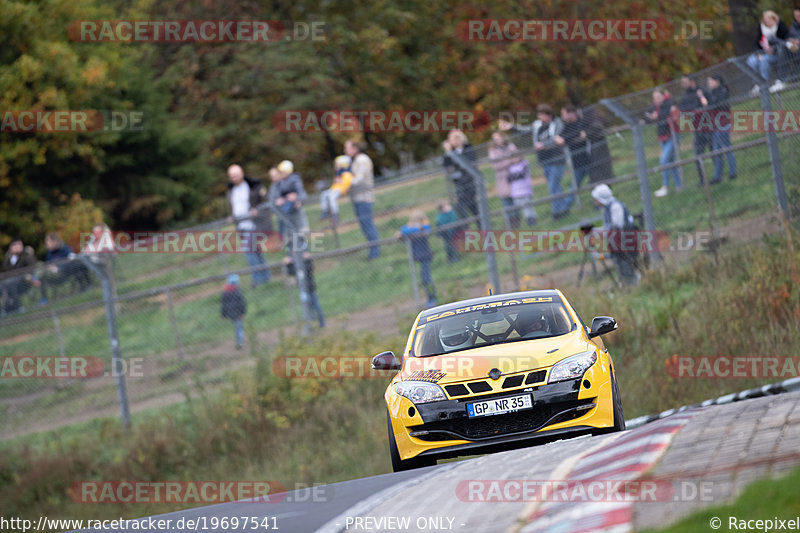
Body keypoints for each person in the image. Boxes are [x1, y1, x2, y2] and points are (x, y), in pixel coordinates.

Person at [227, 164, 271, 286]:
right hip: (241, 227)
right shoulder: (231, 191)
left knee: (249, 251)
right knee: (255, 251)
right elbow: (234, 207)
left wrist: (257, 210)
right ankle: (266, 277)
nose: (234, 178)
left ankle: (258, 279)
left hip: (253, 225)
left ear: (242, 174)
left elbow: (265, 201)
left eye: (236, 175)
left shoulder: (252, 186)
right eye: (231, 176)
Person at [591, 184, 638, 286]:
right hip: (617, 242)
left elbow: (617, 227)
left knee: (625, 263)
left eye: (596, 199)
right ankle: (624, 284)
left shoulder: (615, 206)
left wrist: (597, 231)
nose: (595, 201)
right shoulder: (605, 208)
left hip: (626, 240)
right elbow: (608, 228)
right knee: (618, 263)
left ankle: (633, 283)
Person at [344, 139, 381, 259]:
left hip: (364, 198)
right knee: (364, 227)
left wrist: (345, 183)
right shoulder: (353, 162)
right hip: (357, 199)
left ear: (355, 148)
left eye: (347, 148)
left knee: (368, 226)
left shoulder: (362, 160)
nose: (345, 151)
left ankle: (375, 253)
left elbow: (358, 179)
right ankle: (373, 251)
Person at [700, 75, 737, 184]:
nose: (709, 84)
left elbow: (718, 105)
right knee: (717, 151)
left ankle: (732, 172)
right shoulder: (713, 93)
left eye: (710, 81)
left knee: (726, 148)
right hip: (716, 126)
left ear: (717, 81)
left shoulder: (722, 91)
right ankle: (717, 176)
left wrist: (707, 103)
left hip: (723, 124)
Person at [646, 88, 682, 197]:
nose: (656, 100)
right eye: (654, 98)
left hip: (673, 135)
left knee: (663, 160)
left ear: (663, 96)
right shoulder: (655, 105)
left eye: (658, 97)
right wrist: (651, 116)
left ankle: (665, 186)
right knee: (671, 163)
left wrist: (657, 115)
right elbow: (647, 114)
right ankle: (679, 186)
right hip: (662, 136)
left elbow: (666, 113)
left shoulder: (669, 102)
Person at [678, 76, 712, 185]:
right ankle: (702, 179)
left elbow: (708, 104)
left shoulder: (702, 91)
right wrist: (695, 109)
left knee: (713, 151)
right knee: (698, 155)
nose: (683, 84)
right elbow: (683, 110)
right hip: (697, 129)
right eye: (682, 82)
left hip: (707, 126)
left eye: (685, 82)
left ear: (692, 81)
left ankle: (718, 175)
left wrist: (695, 108)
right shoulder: (685, 97)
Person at [399, 211, 437, 308]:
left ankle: (433, 298)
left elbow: (427, 228)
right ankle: (430, 298)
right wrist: (415, 227)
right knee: (424, 279)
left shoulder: (424, 226)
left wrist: (418, 226)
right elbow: (403, 231)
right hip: (418, 256)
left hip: (424, 256)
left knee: (427, 279)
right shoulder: (412, 229)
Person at [40, 232, 91, 303]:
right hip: (54, 276)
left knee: (77, 264)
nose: (46, 244)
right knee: (42, 276)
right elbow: (47, 264)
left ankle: (87, 285)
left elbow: (71, 257)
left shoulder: (65, 248)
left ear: (54, 241)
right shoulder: (49, 254)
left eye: (48, 241)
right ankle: (44, 299)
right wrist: (51, 267)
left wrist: (60, 267)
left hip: (66, 272)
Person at [442, 129, 480, 224]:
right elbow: (447, 166)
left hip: (470, 182)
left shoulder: (468, 148)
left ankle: (479, 227)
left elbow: (467, 165)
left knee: (467, 207)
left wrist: (455, 162)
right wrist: (448, 152)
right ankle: (468, 229)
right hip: (459, 184)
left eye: (451, 139)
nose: (449, 142)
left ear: (458, 139)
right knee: (465, 207)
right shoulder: (451, 152)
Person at [746, 10, 789, 92]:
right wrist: (759, 54)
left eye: (769, 20)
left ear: (774, 19)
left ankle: (763, 85)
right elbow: (756, 44)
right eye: (765, 20)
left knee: (764, 60)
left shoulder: (780, 26)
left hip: (777, 54)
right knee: (751, 61)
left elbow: (785, 42)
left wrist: (773, 50)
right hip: (763, 53)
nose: (767, 22)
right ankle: (757, 84)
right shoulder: (761, 28)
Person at [269, 160, 310, 245]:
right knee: (291, 233)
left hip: (294, 210)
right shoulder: (280, 183)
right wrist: (284, 198)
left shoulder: (294, 179)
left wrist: (297, 199)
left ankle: (303, 253)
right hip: (286, 212)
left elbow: (301, 193)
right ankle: (293, 252)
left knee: (300, 232)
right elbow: (276, 197)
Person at [283, 252, 325, 328]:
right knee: (306, 308)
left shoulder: (306, 262)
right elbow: (291, 272)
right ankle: (310, 327)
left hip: (310, 289)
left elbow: (309, 269)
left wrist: (308, 259)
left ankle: (322, 324)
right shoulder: (295, 265)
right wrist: (288, 264)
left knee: (316, 306)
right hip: (302, 291)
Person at [488, 131, 519, 227]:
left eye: (498, 137)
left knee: (515, 198)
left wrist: (508, 161)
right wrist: (510, 161)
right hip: (502, 178)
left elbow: (518, 157)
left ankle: (517, 219)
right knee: (506, 200)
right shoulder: (493, 150)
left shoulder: (510, 146)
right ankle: (510, 221)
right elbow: (496, 164)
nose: (496, 140)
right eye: (494, 139)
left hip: (514, 175)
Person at [1, 238, 39, 314]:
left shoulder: (26, 256)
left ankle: (17, 307)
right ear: (10, 247)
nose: (17, 247)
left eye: (19, 244)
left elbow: (32, 268)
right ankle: (5, 308)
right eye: (15, 245)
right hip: (8, 283)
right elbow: (4, 271)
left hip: (23, 282)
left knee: (10, 283)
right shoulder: (8, 259)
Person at [560, 105, 592, 188]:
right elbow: (560, 138)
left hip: (590, 160)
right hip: (577, 164)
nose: (562, 117)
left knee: (597, 184)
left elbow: (583, 134)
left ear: (570, 113)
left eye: (563, 114)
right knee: (573, 189)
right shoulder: (567, 126)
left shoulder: (582, 122)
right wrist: (571, 137)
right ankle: (567, 201)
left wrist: (567, 138)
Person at [320, 155, 353, 222]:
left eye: (337, 164)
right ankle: (325, 212)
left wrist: (340, 181)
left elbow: (346, 184)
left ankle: (335, 214)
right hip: (335, 189)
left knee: (331, 197)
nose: (335, 165)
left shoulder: (347, 173)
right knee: (323, 194)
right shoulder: (339, 173)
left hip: (340, 190)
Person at [507, 157, 538, 227]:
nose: (514, 159)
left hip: (525, 190)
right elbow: (509, 178)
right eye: (513, 158)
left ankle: (532, 220)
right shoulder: (510, 168)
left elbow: (522, 174)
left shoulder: (524, 165)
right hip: (516, 192)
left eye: (516, 157)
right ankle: (529, 219)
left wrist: (515, 175)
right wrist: (515, 175)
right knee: (522, 207)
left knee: (527, 206)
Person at [220, 274, 247, 349]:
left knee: (237, 327)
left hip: (230, 313)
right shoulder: (237, 292)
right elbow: (242, 303)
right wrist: (243, 312)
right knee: (239, 327)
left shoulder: (225, 293)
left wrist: (223, 315)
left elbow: (223, 305)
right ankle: (240, 342)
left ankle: (239, 340)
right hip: (238, 313)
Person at [776, 6, 800, 84]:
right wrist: (791, 41)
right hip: (795, 52)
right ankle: (781, 81)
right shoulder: (794, 26)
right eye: (795, 16)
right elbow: (789, 37)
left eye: (798, 16)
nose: (797, 18)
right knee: (783, 46)